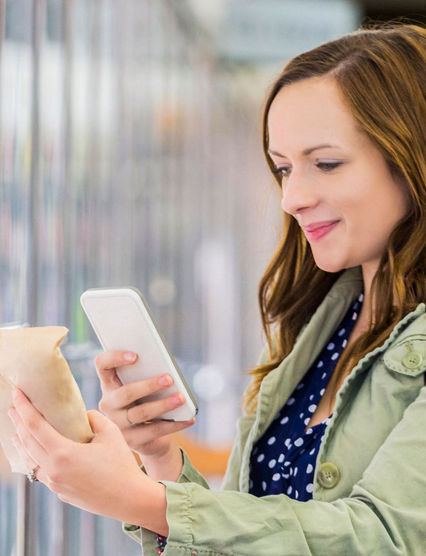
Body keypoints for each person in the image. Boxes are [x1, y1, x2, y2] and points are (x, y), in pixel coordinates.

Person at [8, 22, 426, 555]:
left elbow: (389, 539)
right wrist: (160, 459)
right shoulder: (315, 327)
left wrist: (138, 500)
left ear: (413, 159)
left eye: (325, 164)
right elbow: (264, 533)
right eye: (282, 169)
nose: (291, 198)